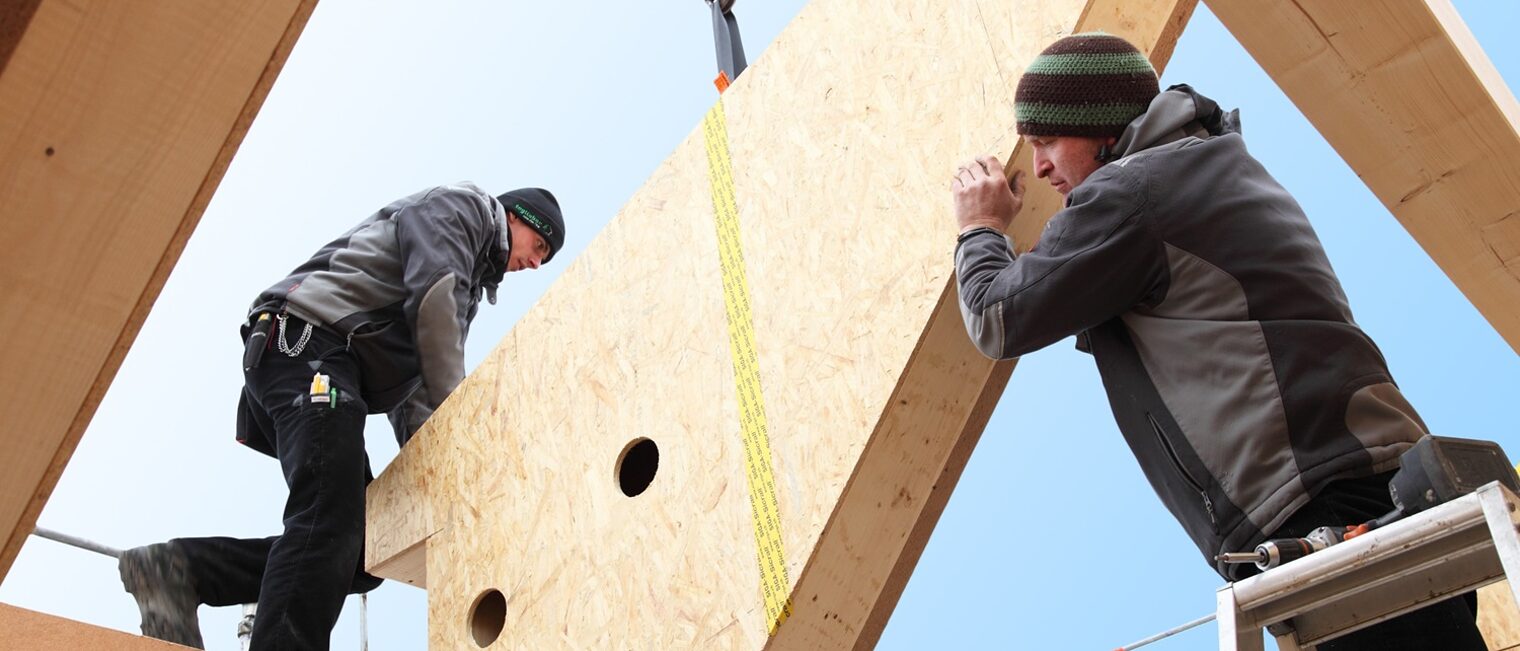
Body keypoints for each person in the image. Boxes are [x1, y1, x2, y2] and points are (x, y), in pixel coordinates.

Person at [950, 33, 1484, 649]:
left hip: (1321, 503)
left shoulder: (1133, 193)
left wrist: (979, 230)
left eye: (1047, 141)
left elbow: (998, 315)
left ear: (1100, 128)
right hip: (1373, 489)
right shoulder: (1208, 166)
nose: (1039, 167)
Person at [116, 182, 566, 650]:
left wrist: (446, 472)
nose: (535, 263)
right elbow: (434, 313)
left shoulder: (466, 282)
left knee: (363, 551)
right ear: (514, 216)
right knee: (329, 516)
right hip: (310, 345)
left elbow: (414, 394)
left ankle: (181, 572)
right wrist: (462, 425)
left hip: (327, 368)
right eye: (538, 246)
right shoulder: (464, 210)